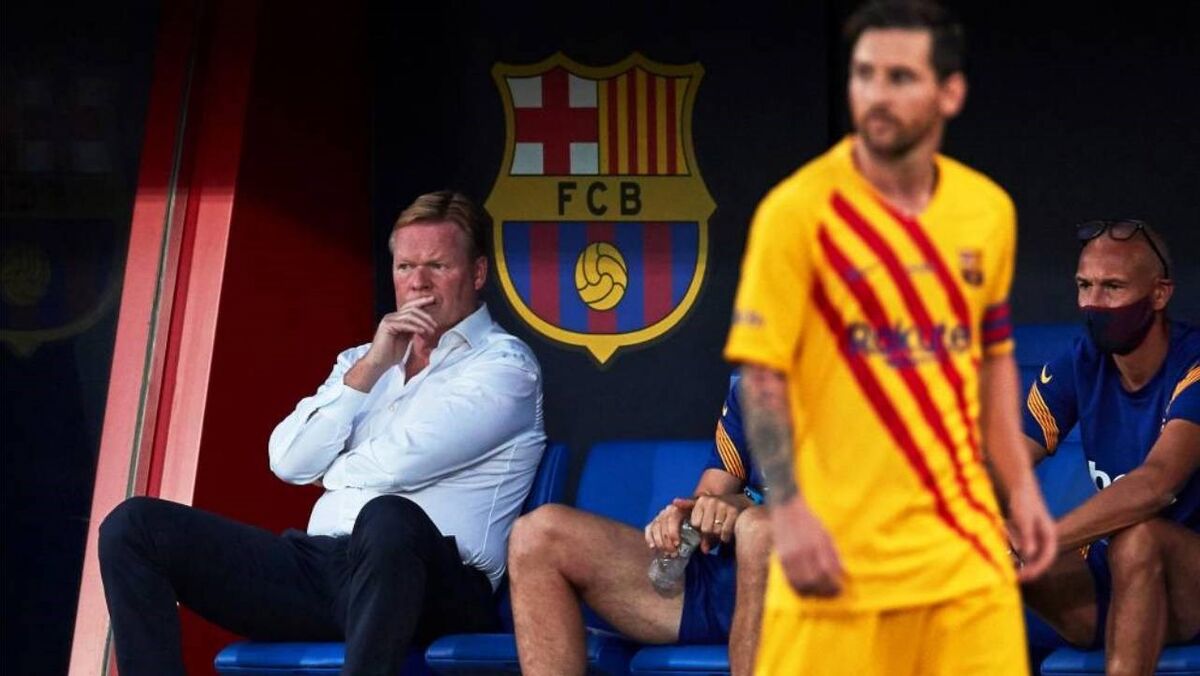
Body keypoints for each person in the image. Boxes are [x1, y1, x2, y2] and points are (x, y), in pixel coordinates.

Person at [724, 1, 1057, 674]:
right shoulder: (796, 212)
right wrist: (789, 508)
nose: (876, 94)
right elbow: (762, 377)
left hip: (959, 549)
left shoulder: (987, 211)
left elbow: (993, 361)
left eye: (900, 77)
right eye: (864, 74)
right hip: (839, 550)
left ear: (949, 93)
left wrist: (1021, 489)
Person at [98, 191, 546, 676]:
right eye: (405, 267)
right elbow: (289, 461)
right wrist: (372, 367)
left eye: (437, 266)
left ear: (477, 274)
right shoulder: (362, 361)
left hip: (436, 584)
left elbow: (399, 463)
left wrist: (329, 472)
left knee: (388, 515)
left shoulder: (505, 366)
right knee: (133, 526)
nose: (418, 283)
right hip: (324, 568)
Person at [1021, 220, 1199, 674]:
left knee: (1139, 538)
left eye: (1113, 287)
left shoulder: (1193, 364)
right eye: (1085, 285)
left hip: (1189, 582)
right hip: (1116, 585)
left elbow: (1156, 486)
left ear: (1159, 294)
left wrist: (1043, 540)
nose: (1094, 303)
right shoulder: (1081, 361)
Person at [508, 372, 772, 675]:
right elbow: (711, 492)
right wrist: (687, 516)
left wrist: (746, 504)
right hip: (725, 587)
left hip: (802, 593)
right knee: (538, 534)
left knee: (757, 529)